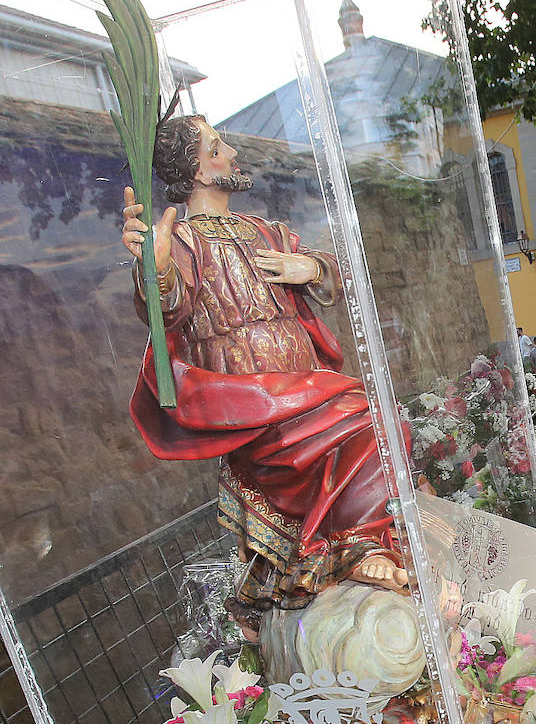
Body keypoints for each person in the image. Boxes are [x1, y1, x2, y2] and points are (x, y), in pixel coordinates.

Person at [120, 114, 406, 625]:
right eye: (217, 146)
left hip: (306, 386)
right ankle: (355, 546)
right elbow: (168, 307)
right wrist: (155, 267)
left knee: (382, 420)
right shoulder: (183, 240)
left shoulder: (265, 231)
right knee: (374, 421)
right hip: (252, 400)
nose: (230, 152)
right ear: (201, 169)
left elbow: (328, 276)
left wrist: (312, 268)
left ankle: (354, 543)